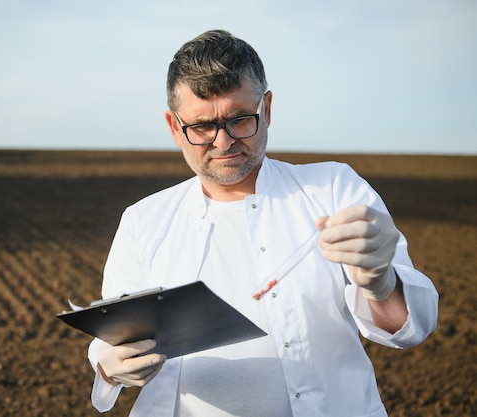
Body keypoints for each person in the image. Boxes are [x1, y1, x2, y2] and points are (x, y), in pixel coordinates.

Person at [86, 29, 438, 417]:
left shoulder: (333, 189)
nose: (223, 142)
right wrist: (110, 365)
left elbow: (410, 329)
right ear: (174, 126)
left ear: (266, 108)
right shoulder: (144, 220)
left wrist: (380, 281)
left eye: (240, 120)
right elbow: (114, 336)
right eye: (202, 126)